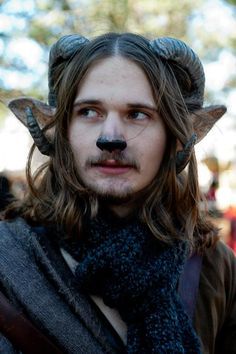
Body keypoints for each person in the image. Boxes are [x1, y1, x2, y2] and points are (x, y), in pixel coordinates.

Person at [0, 32, 235, 354]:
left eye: (138, 114)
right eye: (89, 112)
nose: (110, 138)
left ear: (179, 136)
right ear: (59, 131)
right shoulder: (7, 259)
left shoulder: (214, 266)